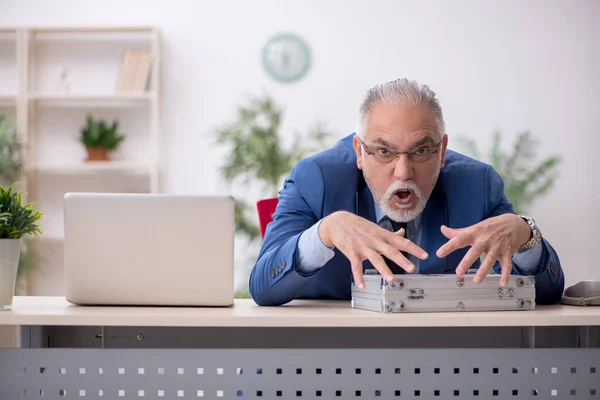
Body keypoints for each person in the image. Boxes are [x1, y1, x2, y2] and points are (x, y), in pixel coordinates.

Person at [249, 78, 564, 307]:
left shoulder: (476, 185)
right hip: (326, 354)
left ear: (441, 152)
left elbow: (546, 294)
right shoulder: (315, 179)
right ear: (359, 152)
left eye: (421, 150)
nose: (403, 172)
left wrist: (525, 235)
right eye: (384, 151)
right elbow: (263, 288)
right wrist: (324, 232)